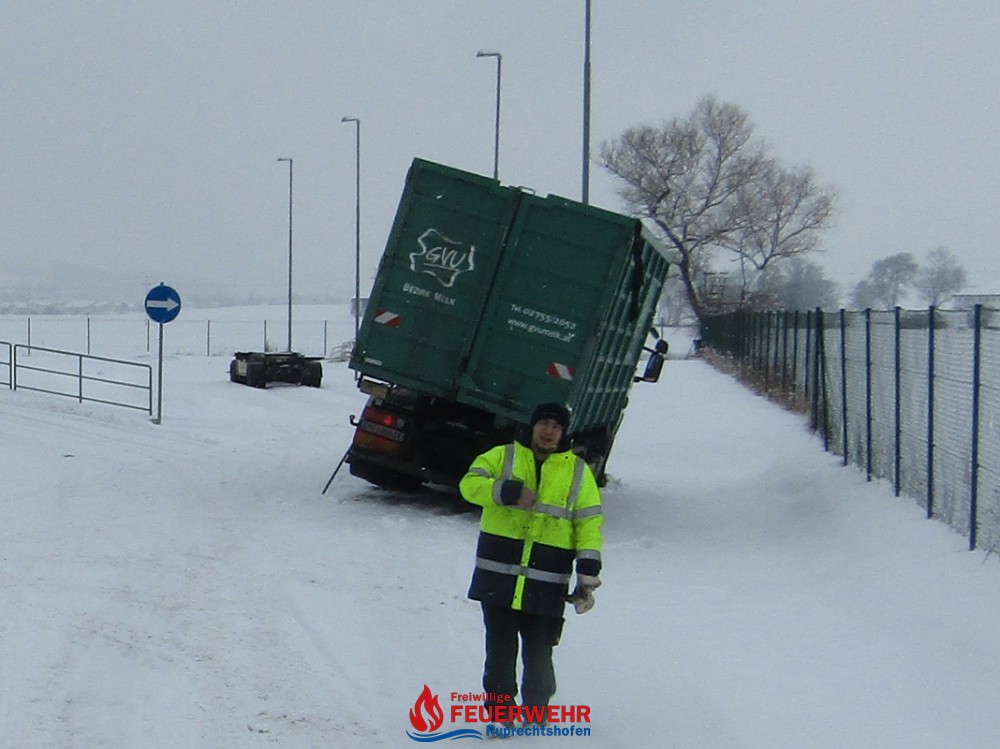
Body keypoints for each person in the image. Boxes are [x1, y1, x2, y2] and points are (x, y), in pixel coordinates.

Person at [459, 402, 603, 725]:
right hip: (499, 576)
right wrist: (504, 491)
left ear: (563, 433)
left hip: (546, 581)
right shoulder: (502, 456)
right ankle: (500, 715)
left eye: (556, 426)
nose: (549, 431)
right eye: (544, 423)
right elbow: (468, 485)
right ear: (533, 425)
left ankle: (536, 717)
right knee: (499, 653)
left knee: (539, 654)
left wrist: (589, 569)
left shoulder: (578, 471)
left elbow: (589, 523)